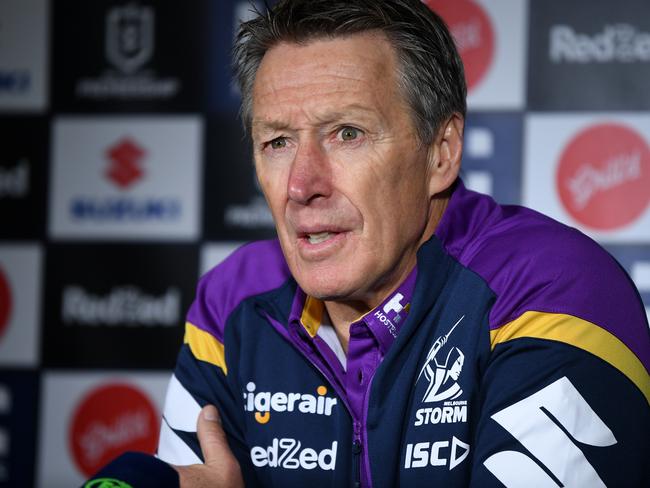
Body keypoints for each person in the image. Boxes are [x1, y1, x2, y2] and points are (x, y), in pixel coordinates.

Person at [156, 0, 650, 486]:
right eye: (278, 142)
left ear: (441, 153)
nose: (301, 185)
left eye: (346, 133)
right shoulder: (233, 304)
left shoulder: (552, 287)